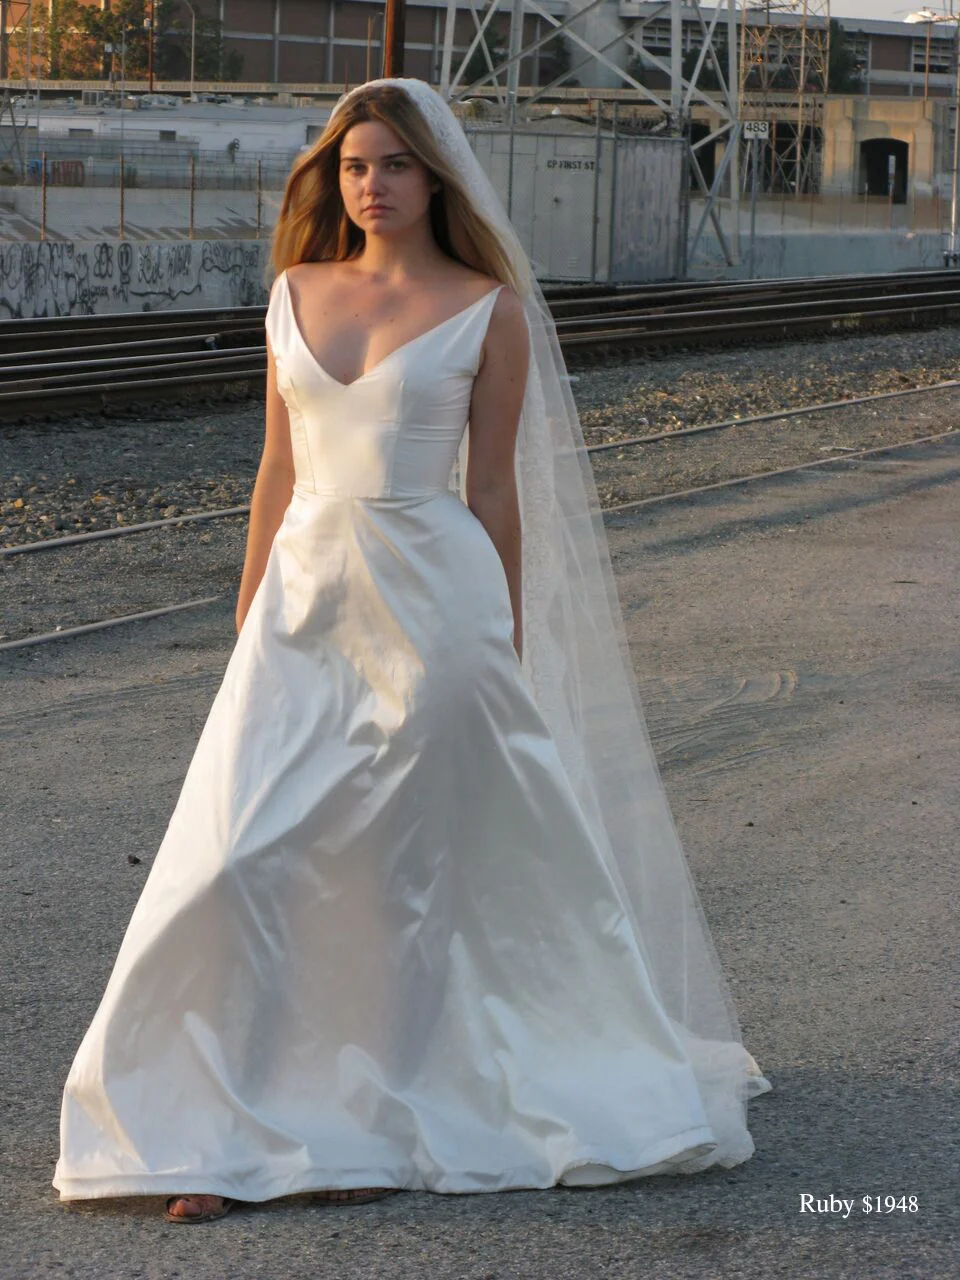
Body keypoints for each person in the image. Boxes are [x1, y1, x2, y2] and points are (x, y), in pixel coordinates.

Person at [53, 78, 771, 1225]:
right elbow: (276, 468)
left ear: (436, 176)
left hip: (436, 609)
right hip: (301, 605)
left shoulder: (488, 310)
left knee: (392, 877)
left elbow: (493, 493)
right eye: (352, 166)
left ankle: (366, 1124)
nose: (371, 184)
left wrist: (503, 639)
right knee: (240, 858)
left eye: (392, 163)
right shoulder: (295, 291)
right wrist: (249, 606)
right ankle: (208, 1117)